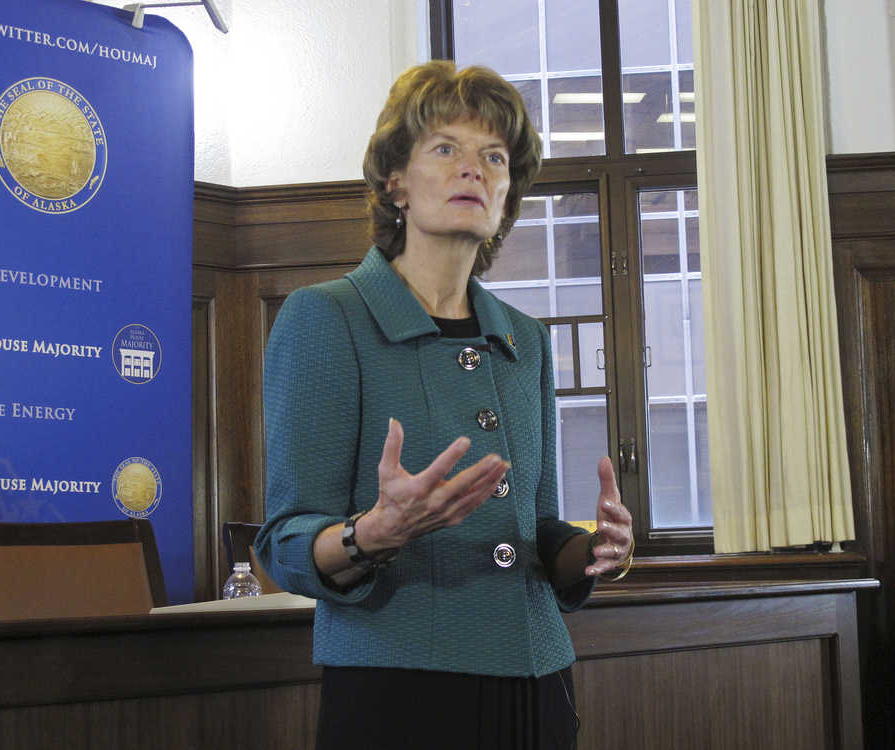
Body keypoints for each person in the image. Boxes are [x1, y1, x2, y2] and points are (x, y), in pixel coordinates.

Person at [255, 60, 634, 750]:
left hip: (536, 680)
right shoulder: (326, 319)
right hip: (399, 689)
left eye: (494, 156)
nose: (475, 169)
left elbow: (537, 529)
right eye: (446, 149)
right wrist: (372, 532)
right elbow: (280, 543)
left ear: (508, 191)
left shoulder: (526, 339)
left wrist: (593, 552)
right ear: (395, 181)